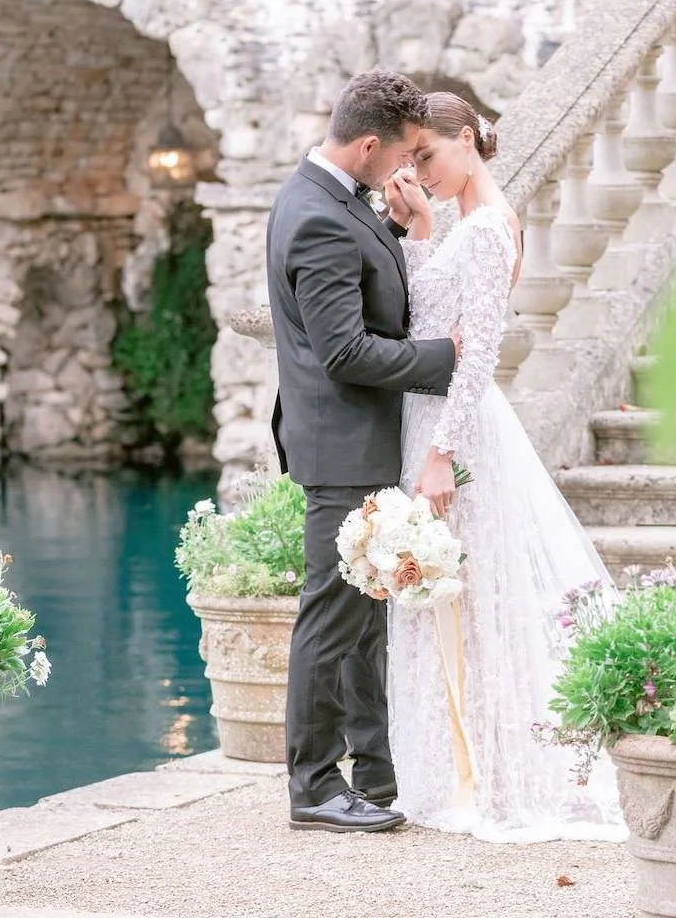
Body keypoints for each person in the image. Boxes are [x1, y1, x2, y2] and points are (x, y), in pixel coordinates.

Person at [385, 91, 624, 840]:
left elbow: (481, 349)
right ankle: (448, 767)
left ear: (467, 139)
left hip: (454, 432)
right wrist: (419, 231)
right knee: (439, 599)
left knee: (473, 594)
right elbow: (429, 318)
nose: (420, 172)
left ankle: (492, 776)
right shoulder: (459, 224)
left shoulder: (490, 226)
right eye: (411, 160)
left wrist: (441, 455)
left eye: (427, 156)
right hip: (426, 419)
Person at [266, 71, 459, 834]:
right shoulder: (317, 216)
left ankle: (373, 773)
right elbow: (344, 351)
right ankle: (313, 786)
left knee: (360, 621)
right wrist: (446, 356)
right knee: (331, 620)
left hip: (355, 441)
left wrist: (406, 233)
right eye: (403, 153)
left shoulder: (337, 200)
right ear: (369, 143)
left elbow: (369, 293)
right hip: (341, 446)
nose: (408, 166)